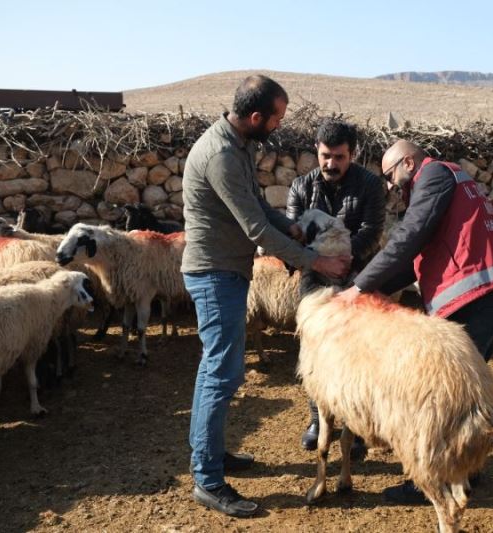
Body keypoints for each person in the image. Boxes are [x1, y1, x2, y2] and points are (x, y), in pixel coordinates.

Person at [181, 75, 350, 518]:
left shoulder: (238, 146)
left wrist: (288, 225)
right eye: (275, 118)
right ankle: (208, 477)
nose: (277, 126)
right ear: (256, 117)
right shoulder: (220, 155)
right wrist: (315, 260)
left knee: (225, 373)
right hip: (214, 273)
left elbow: (258, 207)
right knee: (219, 375)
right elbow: (252, 228)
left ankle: (212, 453)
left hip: (227, 271)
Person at [337, 139, 493, 504]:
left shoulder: (434, 175)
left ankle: (429, 479)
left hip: (477, 294)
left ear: (409, 161)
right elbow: (414, 258)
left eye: (392, 175)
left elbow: (407, 238)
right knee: (463, 391)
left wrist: (358, 287)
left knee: (441, 396)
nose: (392, 185)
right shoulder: (447, 182)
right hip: (490, 292)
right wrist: (372, 289)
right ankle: (466, 471)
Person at [286, 119, 386, 453]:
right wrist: (320, 261)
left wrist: (344, 258)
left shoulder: (370, 185)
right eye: (326, 155)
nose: (331, 164)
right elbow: (293, 235)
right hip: (314, 281)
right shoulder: (301, 187)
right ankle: (318, 419)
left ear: (352, 154)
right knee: (312, 350)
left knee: (358, 352)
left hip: (357, 277)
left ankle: (355, 426)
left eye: (339, 157)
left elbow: (372, 230)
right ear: (317, 149)